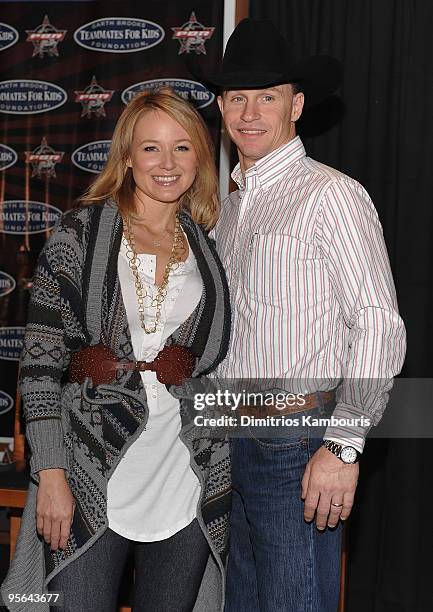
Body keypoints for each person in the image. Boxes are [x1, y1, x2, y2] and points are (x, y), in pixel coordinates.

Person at [193, 18, 407, 612]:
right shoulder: (231, 208)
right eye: (238, 97)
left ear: (298, 105)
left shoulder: (332, 195)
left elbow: (377, 322)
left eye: (268, 97)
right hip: (232, 433)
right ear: (222, 107)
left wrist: (343, 445)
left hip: (298, 439)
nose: (251, 112)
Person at [1, 88, 231, 612]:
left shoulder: (208, 246)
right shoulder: (79, 235)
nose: (167, 164)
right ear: (127, 157)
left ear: (199, 154)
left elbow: (214, 359)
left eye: (182, 147)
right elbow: (38, 369)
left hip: (183, 474)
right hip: (89, 468)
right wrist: (52, 473)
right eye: (151, 149)